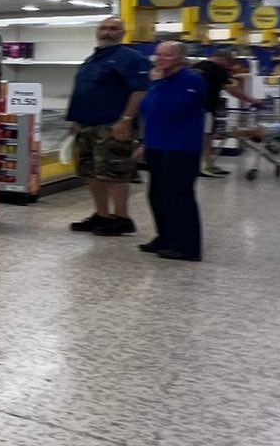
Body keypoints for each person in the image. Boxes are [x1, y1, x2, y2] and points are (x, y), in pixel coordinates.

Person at [66, 14, 149, 235]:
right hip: (86, 124)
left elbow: (140, 90)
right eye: (103, 28)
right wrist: (77, 120)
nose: (107, 32)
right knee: (90, 172)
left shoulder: (130, 58)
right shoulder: (94, 58)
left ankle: (121, 218)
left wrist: (126, 120)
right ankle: (101, 215)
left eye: (113, 28)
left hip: (112, 124)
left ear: (122, 33)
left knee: (114, 173)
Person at [139, 40, 207, 261]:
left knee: (179, 196)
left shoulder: (192, 80)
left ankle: (187, 247)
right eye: (158, 55)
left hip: (181, 147)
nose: (160, 59)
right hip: (157, 144)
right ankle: (165, 237)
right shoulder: (158, 81)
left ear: (180, 58)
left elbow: (173, 108)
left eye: (166, 55)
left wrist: (158, 85)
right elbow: (148, 108)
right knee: (157, 195)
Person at [193, 46, 242, 176]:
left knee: (203, 137)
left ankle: (208, 164)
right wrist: (251, 100)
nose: (229, 66)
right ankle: (204, 166)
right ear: (223, 58)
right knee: (207, 137)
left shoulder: (198, 66)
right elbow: (231, 90)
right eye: (229, 62)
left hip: (194, 108)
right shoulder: (218, 69)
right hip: (207, 108)